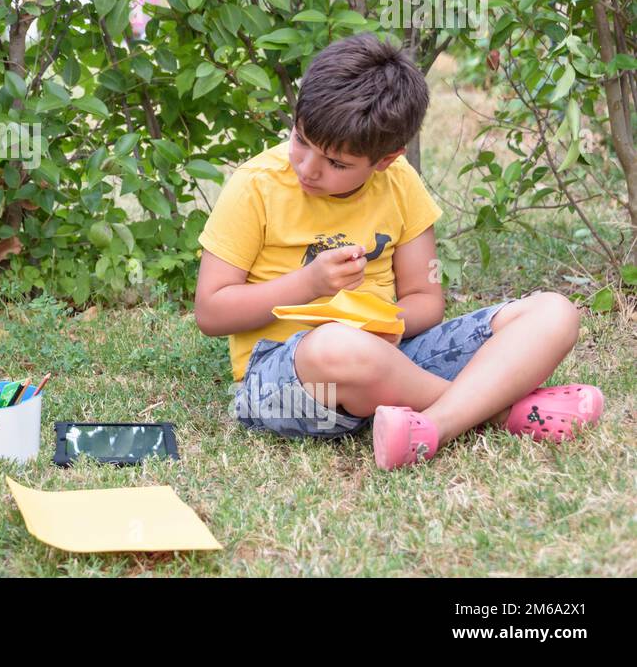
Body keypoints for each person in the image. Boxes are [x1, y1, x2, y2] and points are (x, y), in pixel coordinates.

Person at [193, 33, 603, 469]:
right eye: (301, 140)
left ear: (386, 159)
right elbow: (212, 313)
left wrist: (390, 325)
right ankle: (499, 413)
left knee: (555, 312)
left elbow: (426, 301)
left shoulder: (400, 181)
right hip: (287, 381)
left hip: (390, 359)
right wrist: (308, 283)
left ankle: (434, 423)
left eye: (336, 164)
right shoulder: (256, 186)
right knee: (337, 347)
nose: (308, 169)